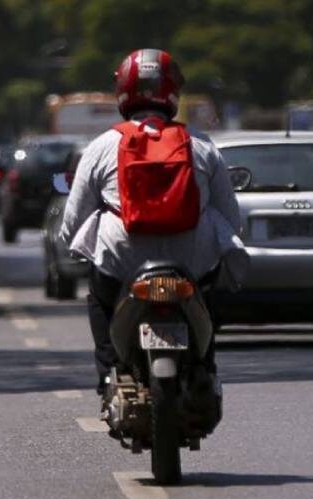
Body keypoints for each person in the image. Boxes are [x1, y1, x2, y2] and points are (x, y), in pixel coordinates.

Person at [59, 48, 248, 395]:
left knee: (99, 299)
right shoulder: (202, 145)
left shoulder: (102, 146)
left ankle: (109, 374)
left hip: (122, 261)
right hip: (193, 263)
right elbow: (231, 218)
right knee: (212, 294)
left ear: (123, 91)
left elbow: (73, 220)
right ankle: (205, 368)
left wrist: (73, 245)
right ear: (173, 91)